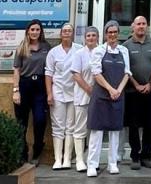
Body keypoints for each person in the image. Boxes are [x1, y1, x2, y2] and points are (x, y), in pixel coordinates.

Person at [86, 20, 132, 177]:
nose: (112, 35)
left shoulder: (124, 51)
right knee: (97, 131)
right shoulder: (98, 51)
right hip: (101, 96)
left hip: (117, 95)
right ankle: (93, 164)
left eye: (115, 32)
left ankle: (113, 163)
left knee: (114, 131)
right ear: (105, 34)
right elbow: (96, 73)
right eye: (109, 32)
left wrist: (118, 90)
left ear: (118, 33)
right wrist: (110, 89)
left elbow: (127, 73)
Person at [123, 16, 151, 170]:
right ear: (133, 26)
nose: (141, 26)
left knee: (149, 124)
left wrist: (150, 83)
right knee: (133, 125)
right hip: (133, 92)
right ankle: (135, 156)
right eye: (138, 24)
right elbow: (126, 69)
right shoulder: (126, 45)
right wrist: (136, 84)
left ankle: (147, 155)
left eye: (143, 24)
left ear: (147, 26)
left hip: (150, 91)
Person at [12, 19, 52, 165]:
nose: (35, 32)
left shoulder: (46, 47)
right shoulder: (21, 47)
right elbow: (16, 70)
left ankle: (37, 151)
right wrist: (16, 90)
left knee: (40, 120)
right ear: (28, 31)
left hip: (40, 86)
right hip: (24, 85)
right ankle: (22, 153)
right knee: (21, 122)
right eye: (32, 29)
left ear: (41, 32)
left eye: (37, 29)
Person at [45, 23, 83, 170]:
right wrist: (49, 93)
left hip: (75, 92)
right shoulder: (53, 52)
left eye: (69, 31)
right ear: (61, 34)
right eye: (64, 31)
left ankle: (67, 158)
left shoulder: (79, 50)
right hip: (58, 92)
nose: (67, 33)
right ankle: (57, 159)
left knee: (71, 126)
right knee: (57, 126)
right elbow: (48, 73)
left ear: (72, 34)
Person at [70, 26, 99, 172]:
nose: (91, 38)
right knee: (80, 128)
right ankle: (80, 160)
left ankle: (91, 159)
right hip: (83, 95)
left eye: (94, 35)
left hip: (99, 97)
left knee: (94, 129)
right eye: (88, 36)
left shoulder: (102, 52)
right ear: (85, 38)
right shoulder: (79, 54)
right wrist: (88, 89)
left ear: (98, 37)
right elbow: (76, 74)